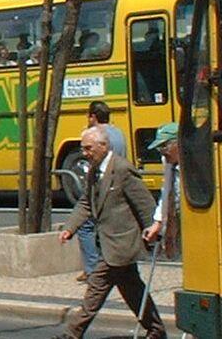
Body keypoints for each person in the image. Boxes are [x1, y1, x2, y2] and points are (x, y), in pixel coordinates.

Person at [54, 126, 166, 339]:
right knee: (133, 291)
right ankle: (156, 330)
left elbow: (144, 203)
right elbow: (86, 202)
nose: (85, 153)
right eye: (83, 148)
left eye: (88, 148)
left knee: (96, 289)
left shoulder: (122, 169)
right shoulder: (94, 171)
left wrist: (154, 231)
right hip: (108, 243)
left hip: (121, 243)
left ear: (103, 146)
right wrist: (70, 228)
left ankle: (71, 334)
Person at [75, 100, 128, 282]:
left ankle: (92, 269)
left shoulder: (98, 136)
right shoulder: (119, 133)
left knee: (86, 227)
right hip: (118, 186)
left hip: (103, 188)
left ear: (93, 117)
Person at [142, 122, 181, 259]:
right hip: (178, 222)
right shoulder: (168, 161)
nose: (162, 152)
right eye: (159, 148)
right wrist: (157, 223)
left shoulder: (196, 164)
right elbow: (166, 192)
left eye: (164, 146)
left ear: (180, 143)